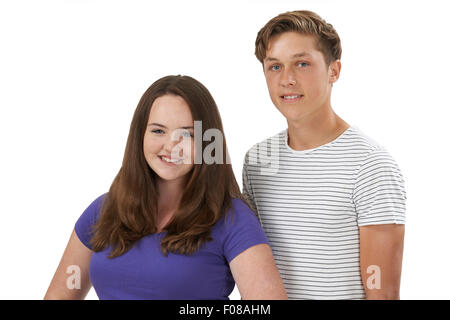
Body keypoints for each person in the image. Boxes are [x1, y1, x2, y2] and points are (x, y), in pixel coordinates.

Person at [44, 75, 287, 300]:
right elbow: (59, 297)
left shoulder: (232, 219)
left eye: (187, 134)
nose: (172, 146)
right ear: (140, 135)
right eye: (158, 131)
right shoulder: (103, 210)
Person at [242, 10, 406, 300]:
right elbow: (255, 269)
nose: (287, 79)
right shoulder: (258, 160)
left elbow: (383, 293)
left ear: (334, 71)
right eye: (275, 67)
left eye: (302, 63)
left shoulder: (371, 165)